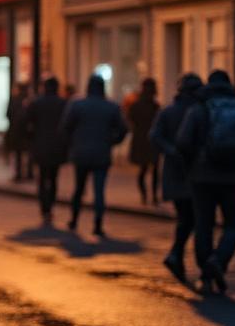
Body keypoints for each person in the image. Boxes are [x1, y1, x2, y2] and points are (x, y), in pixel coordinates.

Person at [177, 70, 235, 293]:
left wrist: (193, 162)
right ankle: (218, 261)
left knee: (203, 224)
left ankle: (206, 274)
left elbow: (183, 141)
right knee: (232, 225)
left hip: (202, 177)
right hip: (233, 176)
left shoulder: (199, 108)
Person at [150, 74, 204, 286]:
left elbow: (154, 136)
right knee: (191, 218)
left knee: (186, 216)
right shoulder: (199, 111)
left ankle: (177, 256)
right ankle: (177, 255)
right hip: (194, 171)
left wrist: (169, 151)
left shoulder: (168, 111)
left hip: (174, 171)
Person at [61, 74, 127, 236]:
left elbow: (65, 127)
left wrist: (74, 143)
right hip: (101, 153)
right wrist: (111, 142)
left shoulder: (77, 105)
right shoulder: (111, 107)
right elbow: (123, 129)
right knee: (99, 191)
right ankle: (98, 224)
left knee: (79, 189)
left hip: (81, 153)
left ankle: (74, 219)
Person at [25, 77, 69, 224]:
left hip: (40, 146)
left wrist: (31, 139)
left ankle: (44, 208)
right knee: (54, 178)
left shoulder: (36, 103)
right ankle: (50, 206)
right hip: (57, 147)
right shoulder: (63, 103)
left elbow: (26, 122)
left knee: (43, 178)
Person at [128, 78, 161, 205]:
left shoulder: (136, 105)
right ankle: (153, 197)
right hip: (152, 141)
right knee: (154, 170)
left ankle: (144, 196)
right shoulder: (155, 106)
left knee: (143, 169)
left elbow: (131, 121)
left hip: (141, 140)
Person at [6, 82, 33, 181]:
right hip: (28, 131)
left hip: (16, 130)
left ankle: (19, 174)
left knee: (18, 153)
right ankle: (29, 173)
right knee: (29, 152)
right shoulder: (30, 100)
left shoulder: (14, 100)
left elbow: (8, 114)